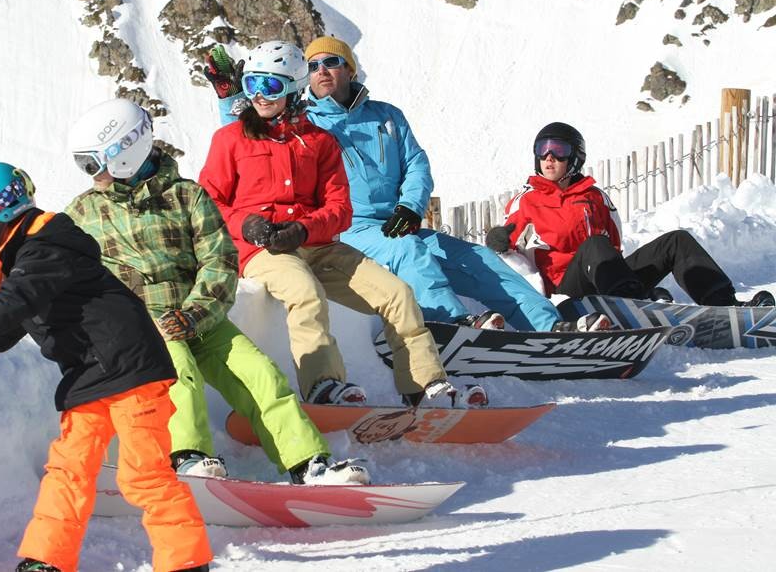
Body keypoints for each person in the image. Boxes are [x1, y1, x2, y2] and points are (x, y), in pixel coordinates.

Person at [0, 163, 212, 572]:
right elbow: (5, 328)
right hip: (89, 375)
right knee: (68, 470)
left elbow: (8, 306)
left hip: (132, 370)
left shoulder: (48, 247)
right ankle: (47, 560)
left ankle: (186, 562)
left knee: (143, 474)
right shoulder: (28, 260)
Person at [204, 36, 607, 333]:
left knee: (479, 260)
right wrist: (228, 97)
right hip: (347, 229)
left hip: (398, 221)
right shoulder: (307, 125)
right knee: (407, 249)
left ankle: (549, 325)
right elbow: (248, 134)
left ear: (350, 69)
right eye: (313, 66)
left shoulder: (386, 116)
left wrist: (409, 207)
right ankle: (454, 324)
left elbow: (416, 164)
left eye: (331, 62)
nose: (322, 70)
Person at [63, 99, 369, 485]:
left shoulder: (187, 197)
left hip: (200, 318)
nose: (92, 175)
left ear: (124, 152)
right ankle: (186, 455)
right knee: (179, 374)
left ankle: (307, 462)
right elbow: (58, 266)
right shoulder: (84, 213)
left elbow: (219, 260)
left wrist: (194, 313)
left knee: (261, 375)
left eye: (93, 164)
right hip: (145, 325)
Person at [198, 40, 472, 409]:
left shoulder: (319, 143)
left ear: (294, 88)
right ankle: (323, 385)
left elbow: (340, 208)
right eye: (253, 85)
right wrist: (247, 225)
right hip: (260, 249)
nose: (260, 96)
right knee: (304, 291)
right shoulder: (231, 140)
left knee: (397, 294)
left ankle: (425, 386)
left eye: (272, 86)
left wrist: (306, 230)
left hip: (318, 245)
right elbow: (208, 202)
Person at [485, 122, 776, 308]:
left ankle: (724, 305)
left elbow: (615, 245)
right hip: (566, 291)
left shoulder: (595, 197)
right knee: (593, 246)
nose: (549, 157)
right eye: (543, 150)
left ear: (574, 158)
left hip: (610, 281)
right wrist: (497, 239)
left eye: (558, 150)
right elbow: (507, 244)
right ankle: (638, 305)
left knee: (676, 241)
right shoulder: (528, 200)